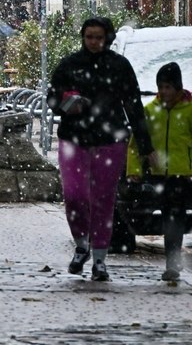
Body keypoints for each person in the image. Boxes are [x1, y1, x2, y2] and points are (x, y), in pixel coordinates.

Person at [48, 16, 153, 282]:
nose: (93, 42)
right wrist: (66, 101)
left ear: (107, 38)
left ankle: (99, 260)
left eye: (98, 37)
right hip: (74, 138)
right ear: (83, 38)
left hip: (109, 139)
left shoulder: (119, 66)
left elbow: (133, 105)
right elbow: (51, 97)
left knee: (104, 200)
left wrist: (145, 145)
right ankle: (81, 243)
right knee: (74, 194)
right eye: (89, 37)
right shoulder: (70, 65)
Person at [126, 62, 191, 281]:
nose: (163, 92)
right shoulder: (151, 111)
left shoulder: (189, 110)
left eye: (168, 87)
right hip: (156, 175)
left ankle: (172, 263)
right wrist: (134, 170)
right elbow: (136, 144)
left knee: (176, 218)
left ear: (178, 88)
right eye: (160, 87)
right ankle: (171, 261)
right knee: (167, 217)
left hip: (182, 175)